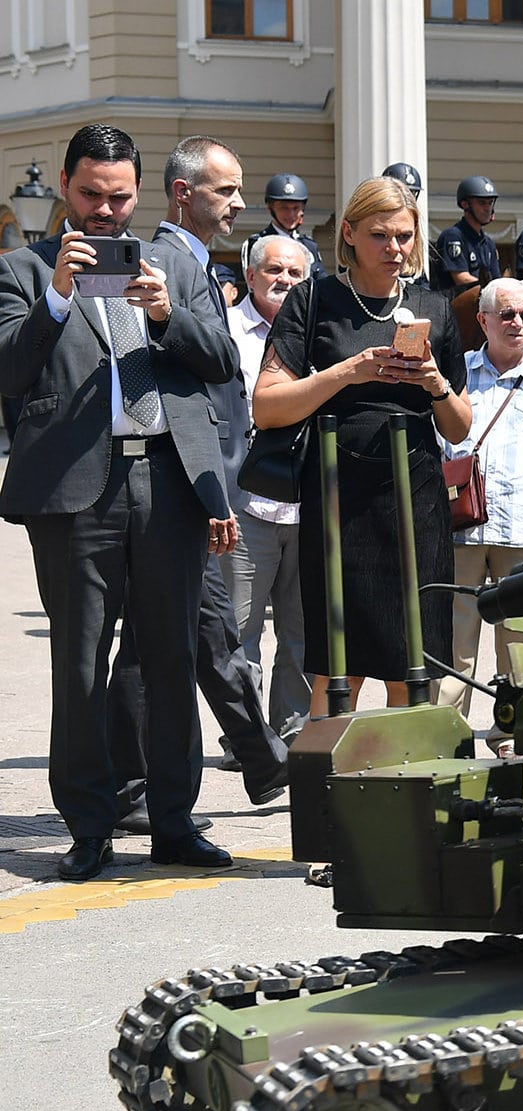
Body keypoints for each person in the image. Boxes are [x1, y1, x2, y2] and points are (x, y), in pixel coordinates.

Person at [0, 124, 242, 878]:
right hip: (74, 494)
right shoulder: (21, 267)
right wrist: (57, 297)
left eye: (120, 197)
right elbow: (7, 373)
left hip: (168, 482)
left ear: (143, 193)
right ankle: (90, 828)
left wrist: (169, 313)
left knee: (171, 657)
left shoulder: (175, 262)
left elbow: (223, 363)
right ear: (67, 189)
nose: (106, 214)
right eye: (90, 197)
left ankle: (173, 821)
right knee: (79, 665)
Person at [115, 136, 288, 818]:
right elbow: (176, 391)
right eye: (226, 190)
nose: (240, 203)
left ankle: (263, 762)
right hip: (178, 483)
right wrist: (210, 492)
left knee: (204, 630)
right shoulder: (160, 262)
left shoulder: (192, 262)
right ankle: (131, 783)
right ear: (183, 192)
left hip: (197, 481)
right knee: (150, 640)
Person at [252, 175, 472, 713]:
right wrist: (348, 371)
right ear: (348, 233)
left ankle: (402, 783)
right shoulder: (314, 299)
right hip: (337, 493)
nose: (395, 249)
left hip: (415, 492)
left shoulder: (435, 308)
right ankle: (331, 789)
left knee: (412, 656)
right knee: (336, 660)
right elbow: (267, 403)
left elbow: (460, 427)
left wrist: (432, 383)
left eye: (404, 236)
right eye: (380, 235)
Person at [443, 278, 523, 732]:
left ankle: (517, 732)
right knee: (456, 641)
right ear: (483, 320)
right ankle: (447, 732)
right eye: (507, 314)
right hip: (462, 530)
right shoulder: (453, 376)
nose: (517, 323)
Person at [226, 232, 315, 737]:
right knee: (240, 631)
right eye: (274, 271)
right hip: (246, 505)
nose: (284, 280)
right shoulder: (230, 333)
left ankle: (293, 733)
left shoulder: (318, 333)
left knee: (300, 631)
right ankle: (246, 737)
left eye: (295, 273)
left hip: (306, 505)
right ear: (251, 276)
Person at [434, 175, 501, 294]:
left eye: (490, 203)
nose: (488, 208)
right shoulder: (453, 237)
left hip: (482, 304)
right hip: (452, 308)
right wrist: (491, 289)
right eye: (482, 203)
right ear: (465, 204)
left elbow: (496, 279)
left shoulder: (488, 243)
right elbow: (461, 278)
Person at [256, 172, 325, 280]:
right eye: (284, 208)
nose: (291, 215)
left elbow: (321, 281)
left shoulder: (309, 246)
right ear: (270, 208)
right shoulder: (258, 244)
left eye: (296, 208)